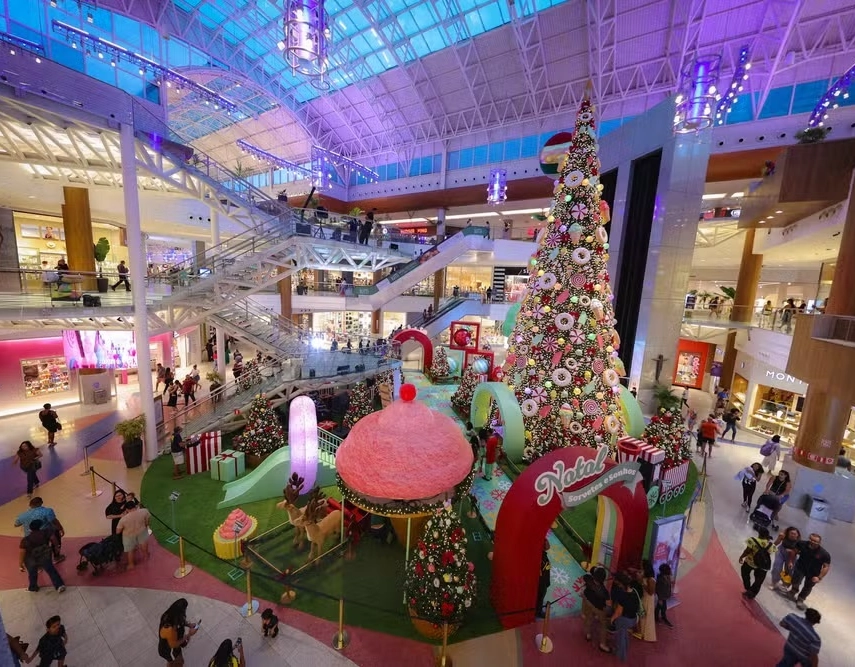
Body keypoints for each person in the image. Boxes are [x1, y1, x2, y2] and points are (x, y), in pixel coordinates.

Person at [786, 534, 831, 609]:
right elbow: (794, 552)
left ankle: (801, 598)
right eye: (811, 539)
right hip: (801, 566)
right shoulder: (801, 544)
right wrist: (791, 561)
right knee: (795, 580)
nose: (812, 542)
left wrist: (819, 577)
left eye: (815, 541)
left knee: (808, 586)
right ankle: (793, 590)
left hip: (814, 572)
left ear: (819, 543)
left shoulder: (824, 554)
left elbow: (826, 567)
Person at [20, 519, 65, 593]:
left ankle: (33, 587)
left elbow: (22, 552)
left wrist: (20, 563)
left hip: (31, 558)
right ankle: (59, 585)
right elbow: (53, 538)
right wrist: (56, 547)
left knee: (32, 573)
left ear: (30, 528)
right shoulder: (46, 532)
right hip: (44, 555)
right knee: (51, 570)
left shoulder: (26, 539)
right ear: (40, 526)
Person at [15, 497, 64, 563]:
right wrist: (60, 528)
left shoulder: (23, 515)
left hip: (30, 537)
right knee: (55, 532)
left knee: (34, 549)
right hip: (44, 535)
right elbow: (54, 521)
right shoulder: (47, 511)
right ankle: (57, 556)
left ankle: (38, 565)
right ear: (41, 503)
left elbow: (16, 524)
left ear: (30, 505)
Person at [158, 598, 198, 666]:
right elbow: (173, 644)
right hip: (167, 649)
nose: (185, 611)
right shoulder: (169, 629)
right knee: (175, 663)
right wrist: (188, 635)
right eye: (184, 610)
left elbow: (181, 621)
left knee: (180, 661)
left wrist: (189, 625)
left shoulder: (171, 615)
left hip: (175, 643)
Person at [609, 572, 639, 663]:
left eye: (618, 583)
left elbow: (618, 612)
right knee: (624, 635)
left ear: (621, 584)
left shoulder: (623, 595)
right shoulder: (635, 591)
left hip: (624, 620)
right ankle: (624, 650)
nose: (618, 585)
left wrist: (612, 619)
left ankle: (621, 656)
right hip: (634, 619)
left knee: (620, 637)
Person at [739, 526, 775, 599]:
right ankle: (752, 593)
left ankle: (748, 587)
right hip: (762, 566)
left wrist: (741, 557)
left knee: (745, 573)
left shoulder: (752, 540)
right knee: (758, 580)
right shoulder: (771, 545)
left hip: (750, 562)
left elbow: (747, 551)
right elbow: (769, 554)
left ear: (759, 533)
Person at [581, 565, 611, 652]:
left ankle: (588, 634)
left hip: (588, 603)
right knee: (603, 624)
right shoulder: (604, 592)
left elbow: (586, 576)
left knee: (589, 618)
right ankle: (602, 644)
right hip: (599, 609)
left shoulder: (588, 580)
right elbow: (608, 604)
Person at [116, 498, 151, 570]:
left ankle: (131, 564)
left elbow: (118, 531)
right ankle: (146, 556)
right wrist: (145, 525)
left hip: (129, 535)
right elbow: (147, 521)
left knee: (130, 550)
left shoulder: (123, 519)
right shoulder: (144, 511)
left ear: (126, 509)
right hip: (142, 530)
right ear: (135, 506)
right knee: (143, 543)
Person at [770, 527, 801, 591]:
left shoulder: (800, 542)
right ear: (788, 533)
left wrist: (792, 551)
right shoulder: (783, 536)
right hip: (781, 551)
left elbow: (800, 552)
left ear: (798, 535)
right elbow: (776, 543)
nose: (793, 535)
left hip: (792, 555)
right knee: (777, 566)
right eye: (791, 533)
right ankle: (774, 582)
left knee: (789, 570)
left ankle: (785, 585)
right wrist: (770, 551)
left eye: (795, 534)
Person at [639, 560, 657, 641]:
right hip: (644, 597)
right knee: (642, 614)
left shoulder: (651, 579)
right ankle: (642, 632)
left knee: (647, 615)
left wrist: (642, 584)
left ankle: (647, 634)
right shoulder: (646, 576)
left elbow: (651, 592)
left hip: (648, 599)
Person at [655, 563, 674, 627]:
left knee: (661, 607)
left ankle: (659, 617)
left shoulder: (667, 576)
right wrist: (660, 598)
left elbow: (668, 586)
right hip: (661, 597)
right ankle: (658, 617)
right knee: (661, 607)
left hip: (665, 596)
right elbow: (658, 589)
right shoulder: (660, 578)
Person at [535, 539, 551, 618]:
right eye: (545, 542)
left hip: (544, 581)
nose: (548, 543)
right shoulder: (540, 558)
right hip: (541, 583)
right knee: (539, 597)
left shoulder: (543, 555)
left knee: (539, 597)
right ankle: (537, 612)